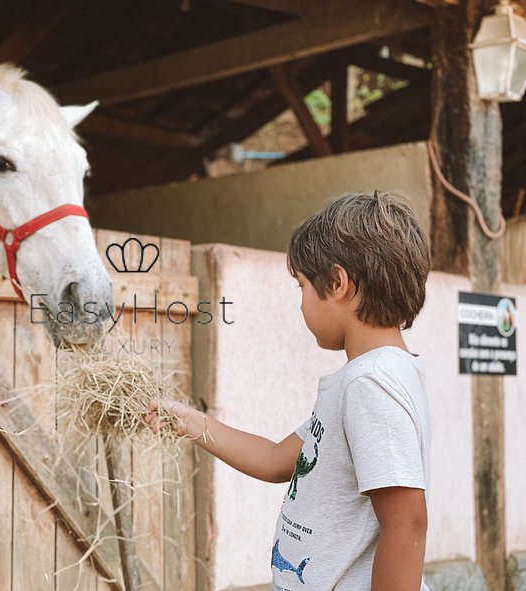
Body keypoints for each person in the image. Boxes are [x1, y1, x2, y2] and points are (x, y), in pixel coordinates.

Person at [147, 191, 432, 591]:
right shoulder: (362, 379)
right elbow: (275, 459)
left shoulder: (371, 384)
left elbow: (406, 522)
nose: (300, 305)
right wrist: (188, 420)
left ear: (337, 283)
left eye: (301, 287)